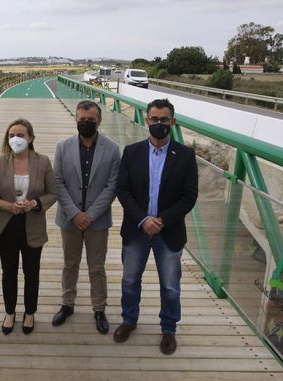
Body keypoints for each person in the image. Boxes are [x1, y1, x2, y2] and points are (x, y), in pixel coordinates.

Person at [113, 98, 198, 355]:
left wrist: (162, 220)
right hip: (137, 228)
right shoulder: (132, 152)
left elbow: (189, 196)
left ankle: (168, 329)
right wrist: (143, 219)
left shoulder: (185, 155)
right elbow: (123, 190)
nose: (158, 123)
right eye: (154, 118)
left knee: (170, 285)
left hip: (168, 231)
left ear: (172, 122)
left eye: (164, 119)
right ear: (146, 120)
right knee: (129, 280)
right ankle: (129, 320)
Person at [0, 118, 57, 335]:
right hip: (6, 225)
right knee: (9, 271)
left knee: (32, 272)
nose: (16, 139)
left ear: (31, 138)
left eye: (21, 135)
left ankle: (30, 312)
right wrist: (6, 205)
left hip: (32, 224)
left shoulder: (43, 162)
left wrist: (34, 204)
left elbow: (53, 193)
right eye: (12, 135)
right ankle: (10, 312)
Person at [52, 100, 120, 335]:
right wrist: (74, 213)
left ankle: (99, 308)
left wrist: (89, 215)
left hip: (97, 220)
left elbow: (112, 186)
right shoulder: (63, 147)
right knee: (69, 264)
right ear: (76, 119)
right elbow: (58, 182)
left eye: (90, 120)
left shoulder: (112, 149)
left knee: (97, 267)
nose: (86, 123)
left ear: (99, 121)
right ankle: (67, 304)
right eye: (82, 119)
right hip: (69, 218)